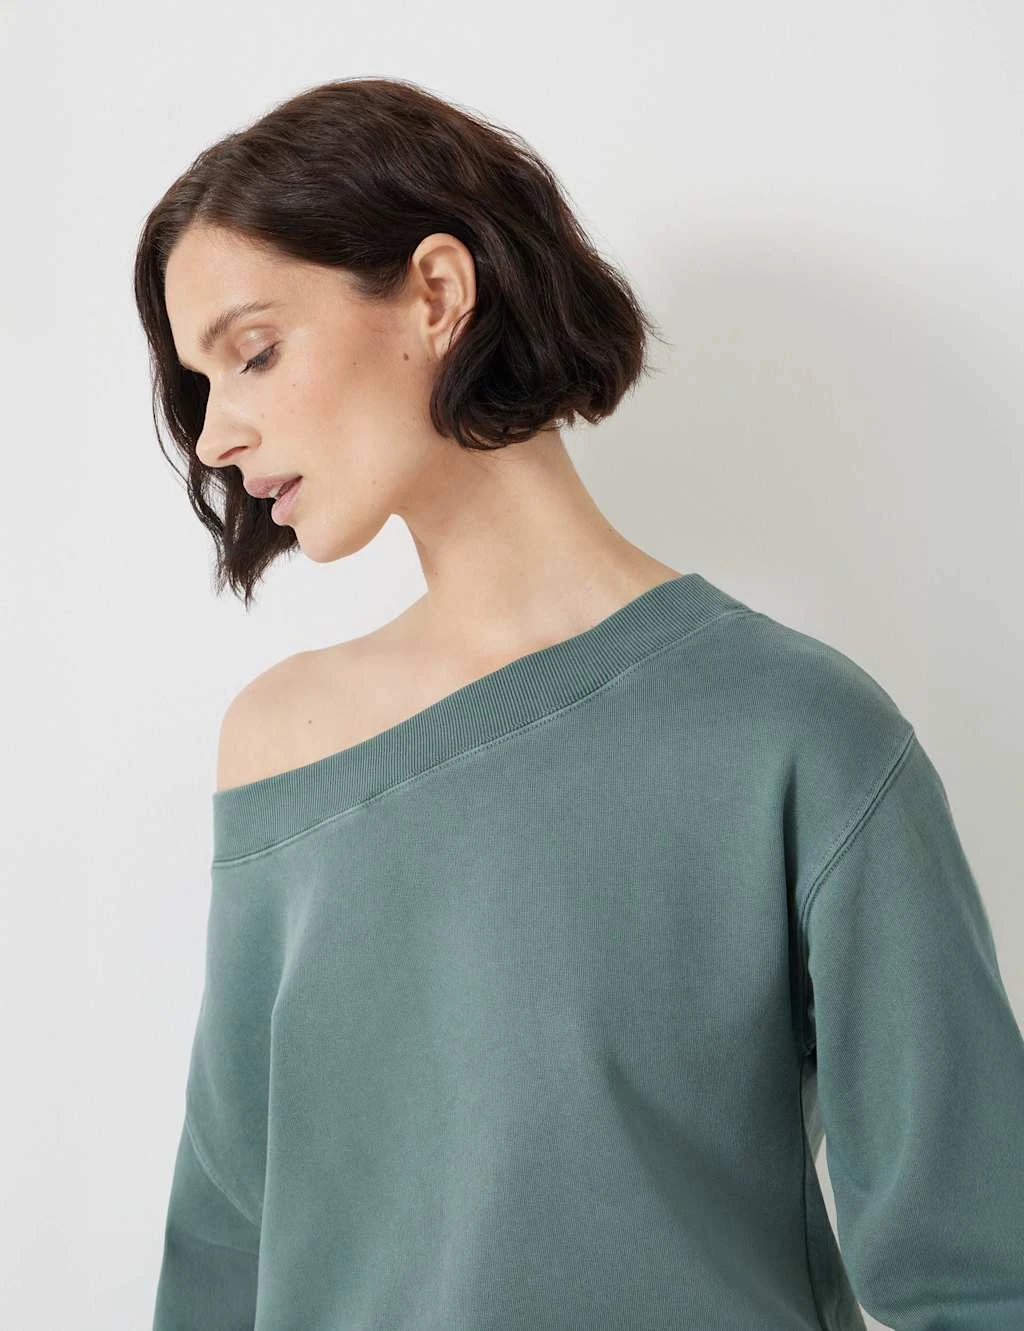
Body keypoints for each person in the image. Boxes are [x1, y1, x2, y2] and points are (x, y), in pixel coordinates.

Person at [135, 77, 1024, 1331]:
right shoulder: (281, 741)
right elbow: (224, 1248)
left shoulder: (796, 733)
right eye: (201, 382)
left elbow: (980, 1272)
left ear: (436, 292)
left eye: (254, 351)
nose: (215, 435)